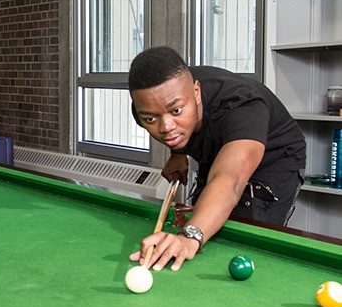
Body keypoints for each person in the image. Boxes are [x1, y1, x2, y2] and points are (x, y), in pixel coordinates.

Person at [128, 46, 306, 270]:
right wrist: (178, 153)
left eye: (176, 111)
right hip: (219, 148)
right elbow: (166, 115)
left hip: (274, 159)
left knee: (241, 234)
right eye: (151, 119)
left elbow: (229, 179)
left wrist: (191, 235)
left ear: (196, 92)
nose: (166, 127)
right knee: (206, 215)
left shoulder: (242, 107)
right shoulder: (150, 103)